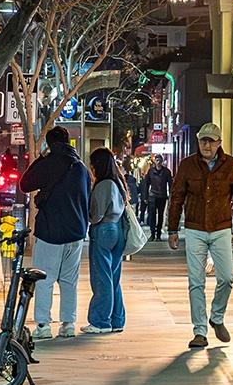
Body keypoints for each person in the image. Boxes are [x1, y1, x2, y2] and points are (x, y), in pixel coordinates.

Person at [167, 123, 233, 349]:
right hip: (194, 229)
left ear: (219, 143)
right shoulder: (187, 165)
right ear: (198, 141)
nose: (207, 144)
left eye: (211, 141)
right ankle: (200, 331)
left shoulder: (230, 165)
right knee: (196, 282)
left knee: (226, 277)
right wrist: (172, 229)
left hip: (222, 229)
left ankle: (217, 317)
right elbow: (176, 198)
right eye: (203, 140)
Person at [19, 126, 91, 340]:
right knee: (69, 281)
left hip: (51, 231)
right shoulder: (80, 167)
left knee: (44, 279)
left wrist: (41, 157)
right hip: (76, 231)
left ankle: (43, 325)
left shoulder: (49, 163)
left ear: (49, 144)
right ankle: (68, 324)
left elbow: (25, 184)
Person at [83, 148, 128, 334]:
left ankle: (101, 320)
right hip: (118, 229)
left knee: (102, 277)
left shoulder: (103, 185)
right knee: (113, 277)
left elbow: (96, 214)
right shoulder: (118, 183)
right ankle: (117, 319)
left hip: (104, 230)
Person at [145, 155, 173, 241]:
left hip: (162, 196)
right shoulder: (150, 171)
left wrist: (171, 195)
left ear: (162, 161)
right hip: (153, 196)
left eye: (160, 160)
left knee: (161, 215)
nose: (158, 162)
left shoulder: (166, 172)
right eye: (157, 160)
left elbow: (170, 184)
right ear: (154, 161)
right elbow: (146, 184)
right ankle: (153, 234)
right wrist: (145, 196)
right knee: (152, 215)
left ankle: (158, 235)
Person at [137, 157, 151, 225]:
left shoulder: (143, 180)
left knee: (144, 210)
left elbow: (141, 189)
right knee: (147, 210)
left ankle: (143, 220)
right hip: (147, 196)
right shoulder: (146, 180)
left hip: (145, 197)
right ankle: (147, 221)